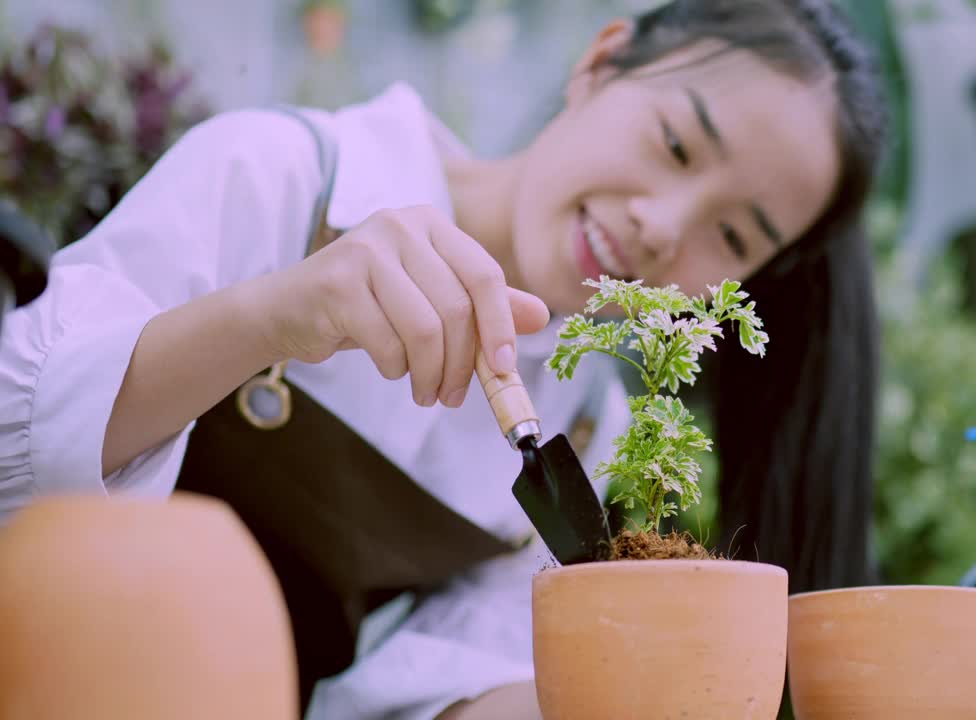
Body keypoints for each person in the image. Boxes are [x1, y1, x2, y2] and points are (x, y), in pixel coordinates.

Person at [0, 0, 886, 717]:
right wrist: (271, 316)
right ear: (600, 63)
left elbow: (428, 694)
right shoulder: (285, 177)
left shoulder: (585, 425)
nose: (663, 224)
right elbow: (15, 436)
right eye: (678, 144)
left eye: (730, 234)